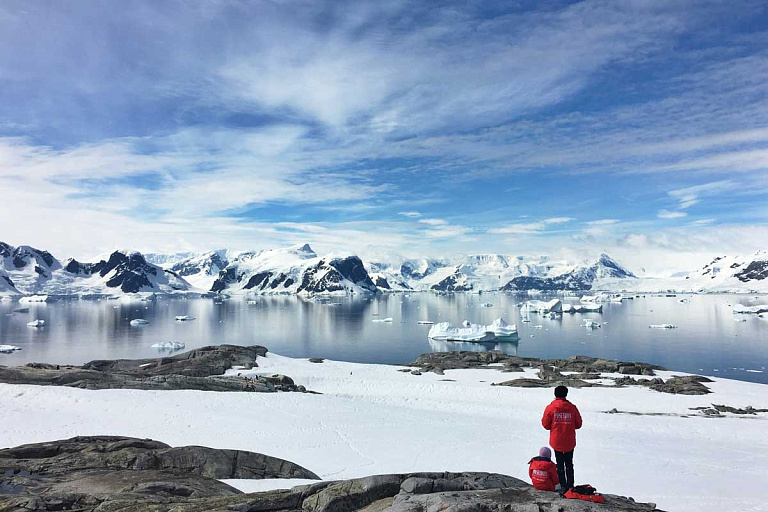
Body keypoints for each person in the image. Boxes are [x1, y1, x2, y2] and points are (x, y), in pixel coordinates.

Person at [541, 385, 582, 493]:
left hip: (557, 440)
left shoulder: (551, 407)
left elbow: (545, 425)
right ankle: (570, 485)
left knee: (559, 464)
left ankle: (563, 485)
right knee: (569, 463)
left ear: (555, 394)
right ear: (566, 394)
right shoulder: (572, 407)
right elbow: (578, 424)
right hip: (569, 441)